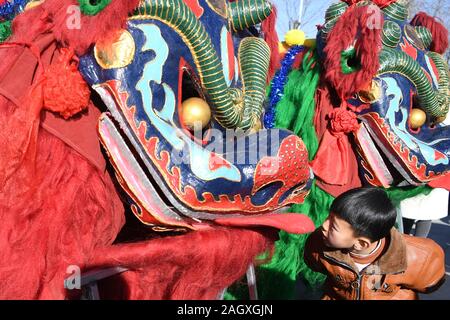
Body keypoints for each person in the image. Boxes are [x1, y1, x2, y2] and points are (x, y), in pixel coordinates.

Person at [304, 187, 446, 300]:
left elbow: (430, 283)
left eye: (333, 226)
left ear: (361, 244)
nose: (323, 225)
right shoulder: (319, 243)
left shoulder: (420, 256)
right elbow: (314, 263)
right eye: (329, 217)